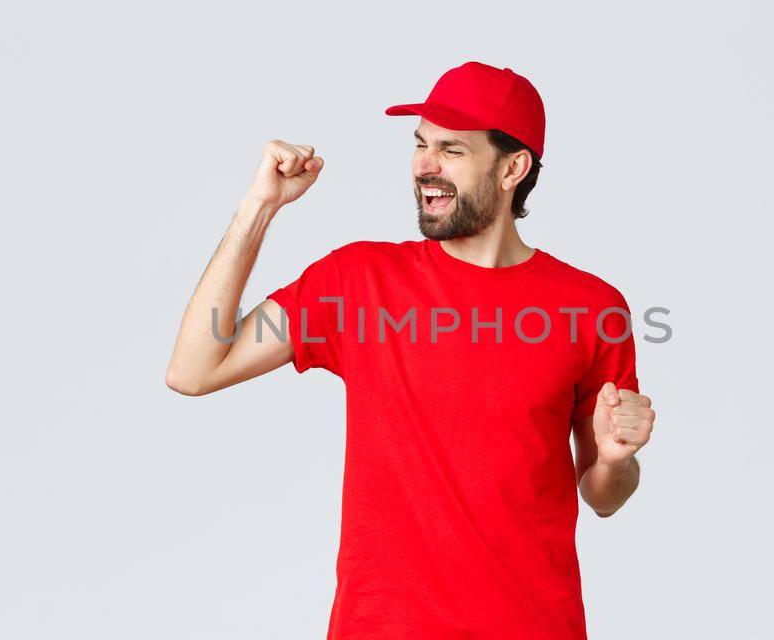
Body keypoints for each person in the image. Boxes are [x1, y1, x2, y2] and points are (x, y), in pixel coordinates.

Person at [165, 60, 658, 639]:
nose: (424, 165)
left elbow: (604, 498)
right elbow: (194, 369)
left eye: (451, 150)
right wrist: (260, 207)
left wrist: (616, 459)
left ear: (513, 168)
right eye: (420, 144)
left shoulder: (592, 308)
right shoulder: (357, 282)